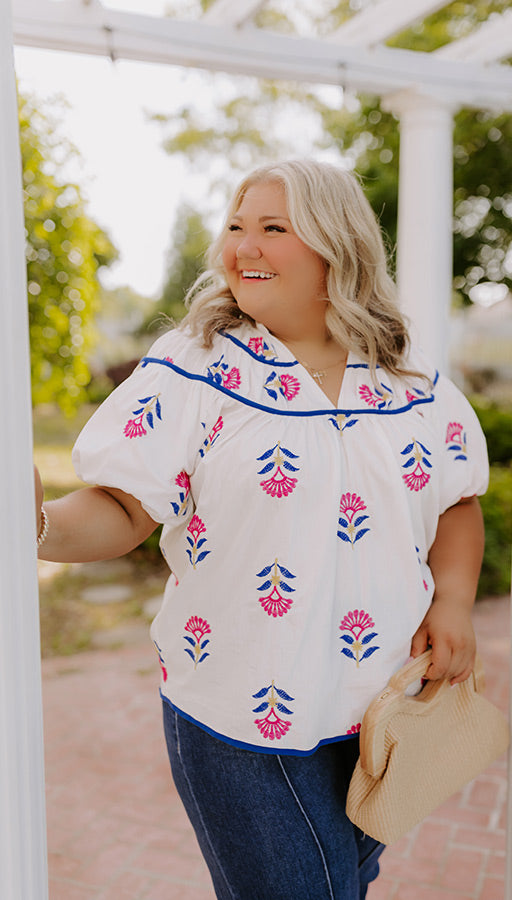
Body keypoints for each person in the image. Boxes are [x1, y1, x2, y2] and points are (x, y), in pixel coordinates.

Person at [35, 158, 488, 899]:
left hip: (380, 714)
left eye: (274, 228)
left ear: (336, 244)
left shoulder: (408, 379)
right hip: (240, 717)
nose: (242, 247)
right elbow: (124, 508)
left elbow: (458, 500)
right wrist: (36, 524)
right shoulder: (194, 366)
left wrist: (455, 602)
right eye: (237, 227)